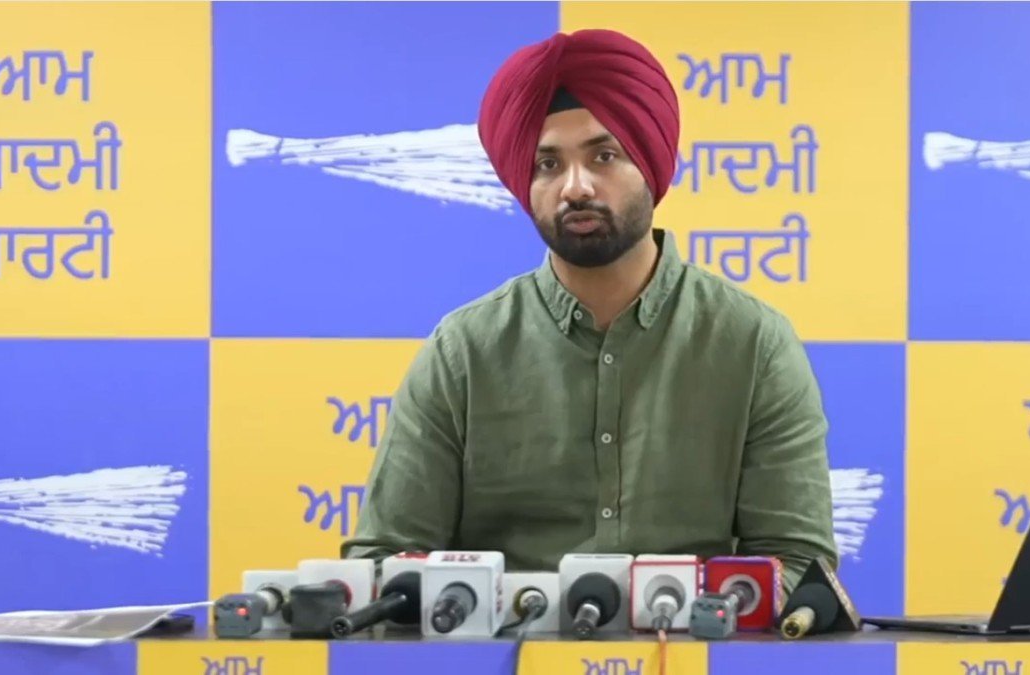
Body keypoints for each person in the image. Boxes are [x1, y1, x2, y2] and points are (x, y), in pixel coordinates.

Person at [341, 28, 837, 591]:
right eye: (547, 164)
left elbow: (797, 566)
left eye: (604, 156)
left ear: (651, 164)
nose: (575, 188)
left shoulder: (753, 344)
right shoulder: (464, 352)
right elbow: (385, 561)